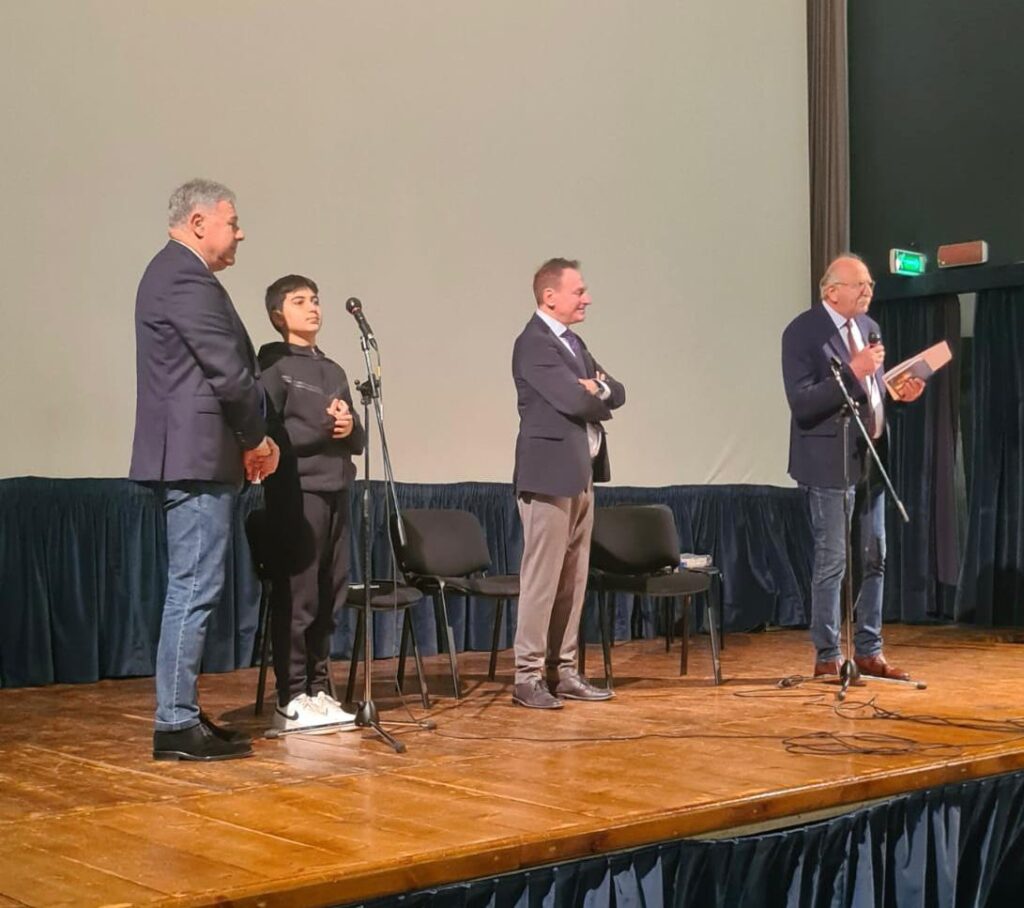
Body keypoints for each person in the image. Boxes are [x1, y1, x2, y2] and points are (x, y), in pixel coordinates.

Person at [131, 179, 280, 761]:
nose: (239, 232)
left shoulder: (180, 275)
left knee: (195, 586)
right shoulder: (183, 277)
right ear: (198, 222)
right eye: (232, 221)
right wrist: (257, 439)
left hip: (198, 453)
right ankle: (174, 723)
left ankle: (182, 713)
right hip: (196, 454)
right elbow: (228, 372)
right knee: (192, 587)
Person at [781, 254, 924, 682]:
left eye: (870, 284)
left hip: (871, 457)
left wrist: (896, 392)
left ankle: (868, 650)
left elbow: (868, 393)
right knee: (833, 561)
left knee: (874, 555)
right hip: (828, 460)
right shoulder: (802, 331)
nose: (868, 291)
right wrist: (853, 370)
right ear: (831, 291)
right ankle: (827, 655)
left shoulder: (869, 328)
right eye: (859, 284)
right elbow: (803, 403)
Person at [511, 258, 626, 709]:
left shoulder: (572, 342)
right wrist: (593, 391)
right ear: (549, 296)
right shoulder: (535, 343)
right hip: (548, 475)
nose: (587, 298)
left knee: (573, 580)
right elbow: (571, 398)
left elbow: (616, 389)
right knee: (543, 579)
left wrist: (597, 388)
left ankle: (564, 671)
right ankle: (527, 676)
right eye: (579, 291)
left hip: (580, 476)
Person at [258, 275, 365, 732]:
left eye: (316, 300)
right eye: (300, 301)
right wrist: (323, 430)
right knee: (299, 596)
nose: (313, 308)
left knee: (330, 596)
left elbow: (356, 437)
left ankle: (320, 689)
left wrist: (348, 428)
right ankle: (291, 695)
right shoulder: (273, 363)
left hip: (339, 489)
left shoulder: (334, 369)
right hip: (297, 493)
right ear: (279, 315)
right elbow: (271, 430)